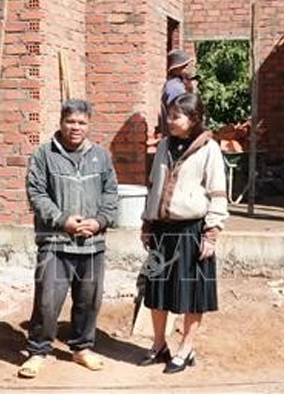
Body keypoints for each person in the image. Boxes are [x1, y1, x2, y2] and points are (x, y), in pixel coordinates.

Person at [18, 99, 119, 379]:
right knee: (48, 301)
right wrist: (64, 221)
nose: (75, 127)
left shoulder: (100, 156)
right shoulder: (43, 155)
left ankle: (81, 348)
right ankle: (38, 350)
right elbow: (36, 194)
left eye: (81, 122)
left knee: (89, 299)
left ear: (89, 125)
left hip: (92, 242)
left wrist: (98, 222)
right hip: (55, 242)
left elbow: (111, 194)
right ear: (61, 123)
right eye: (70, 122)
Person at [139, 92, 228, 374]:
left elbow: (217, 193)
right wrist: (147, 223)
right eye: (169, 115)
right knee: (155, 288)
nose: (170, 120)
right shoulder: (164, 145)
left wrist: (211, 233)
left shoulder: (209, 148)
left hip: (192, 230)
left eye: (176, 116)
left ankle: (186, 348)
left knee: (192, 292)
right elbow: (154, 186)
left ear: (193, 119)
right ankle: (158, 344)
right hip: (162, 230)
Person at [157, 50, 196, 138]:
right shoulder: (175, 87)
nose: (187, 68)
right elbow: (179, 115)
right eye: (184, 66)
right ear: (175, 69)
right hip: (177, 138)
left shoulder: (176, 84)